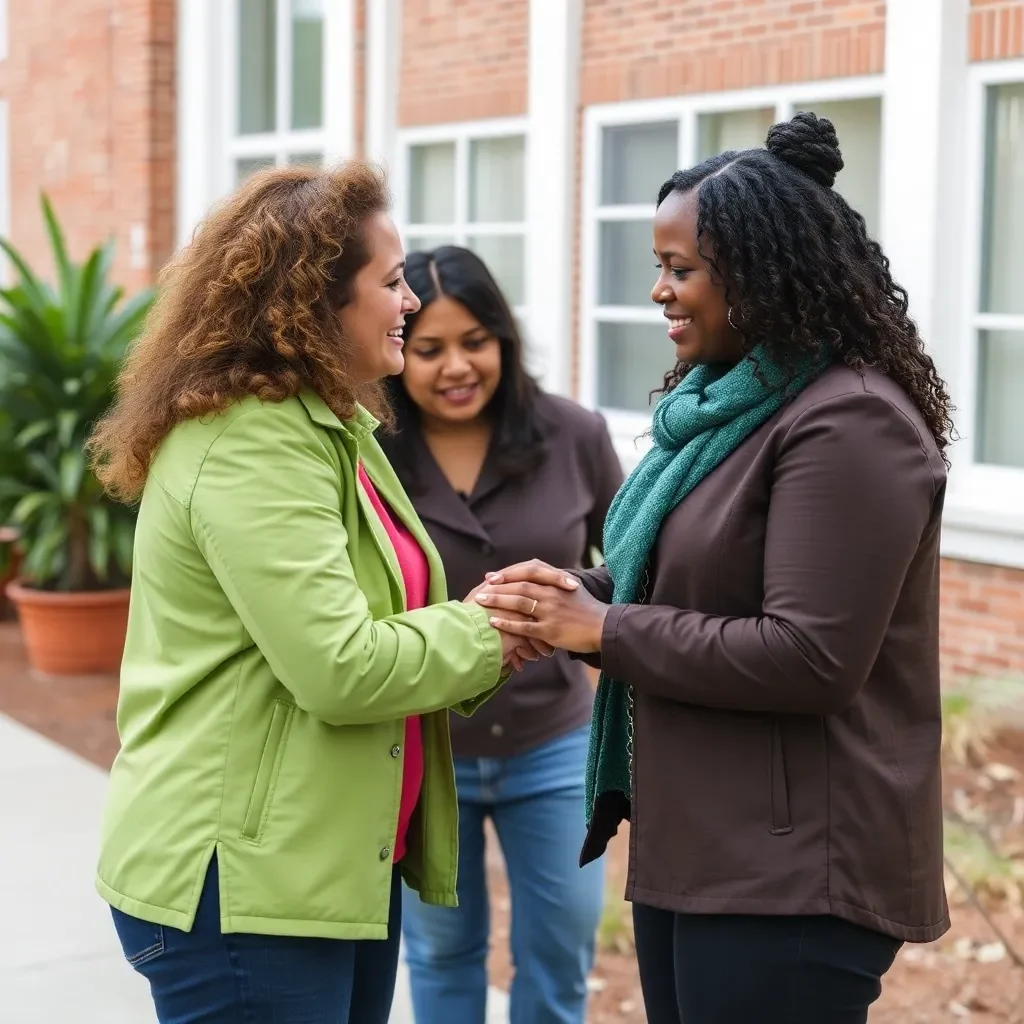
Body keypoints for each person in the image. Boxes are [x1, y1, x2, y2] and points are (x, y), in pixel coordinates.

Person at [472, 112, 953, 1024]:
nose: (658, 291)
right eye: (659, 266)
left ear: (765, 274)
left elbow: (809, 656)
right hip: (705, 845)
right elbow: (687, 587)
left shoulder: (849, 423)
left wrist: (606, 629)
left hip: (796, 873)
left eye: (681, 269)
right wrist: (570, 600)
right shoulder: (719, 413)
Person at [86, 164, 545, 1024]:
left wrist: (497, 629)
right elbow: (340, 666)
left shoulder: (330, 425)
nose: (410, 301)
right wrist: (492, 630)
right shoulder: (252, 443)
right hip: (239, 890)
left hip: (319, 870)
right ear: (311, 302)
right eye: (391, 280)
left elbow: (383, 622)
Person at [378, 245, 622, 1024]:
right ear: (397, 351)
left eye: (475, 341)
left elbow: (630, 570)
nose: (456, 366)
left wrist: (568, 614)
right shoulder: (366, 453)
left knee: (559, 951)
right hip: (425, 744)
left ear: (504, 342)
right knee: (442, 955)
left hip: (552, 742)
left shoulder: (574, 434)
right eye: (430, 349)